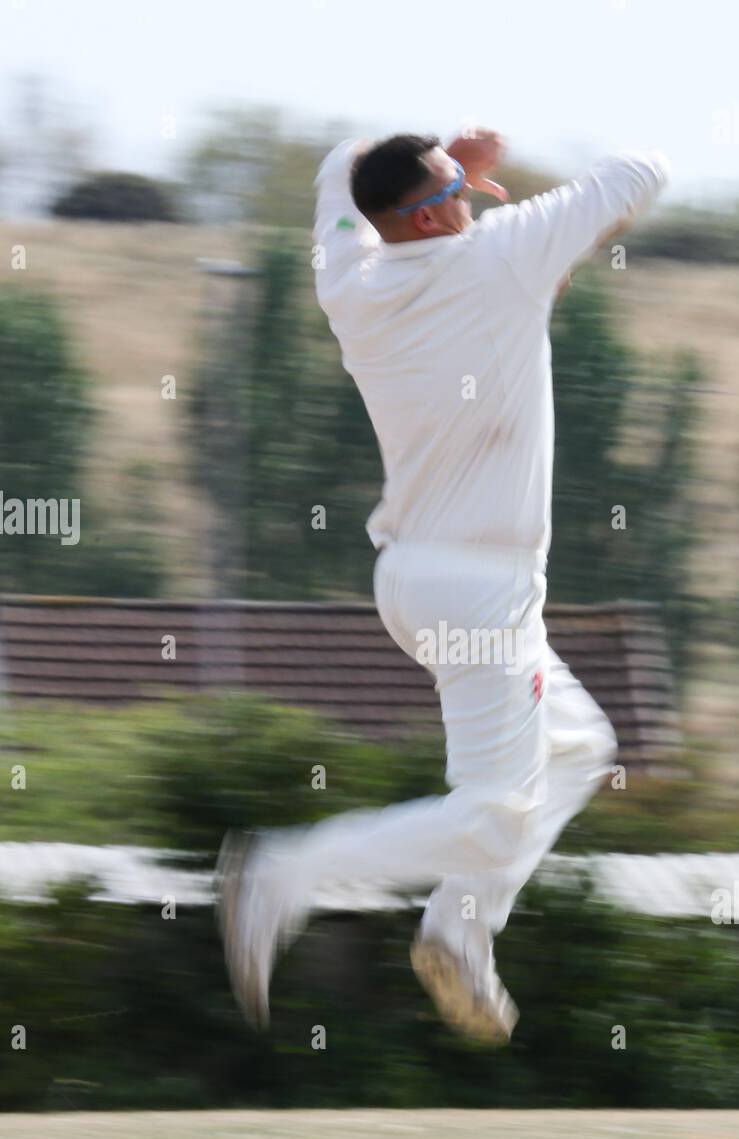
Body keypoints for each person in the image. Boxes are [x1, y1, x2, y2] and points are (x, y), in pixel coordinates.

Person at [217, 127, 669, 1043]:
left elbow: (339, 164)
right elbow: (642, 171)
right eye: (460, 183)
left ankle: (459, 930)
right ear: (433, 211)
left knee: (580, 747)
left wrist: (451, 162)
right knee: (497, 818)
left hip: (420, 577)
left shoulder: (351, 280)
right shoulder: (500, 254)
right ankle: (282, 872)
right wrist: (474, 166)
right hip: (481, 589)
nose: (475, 188)